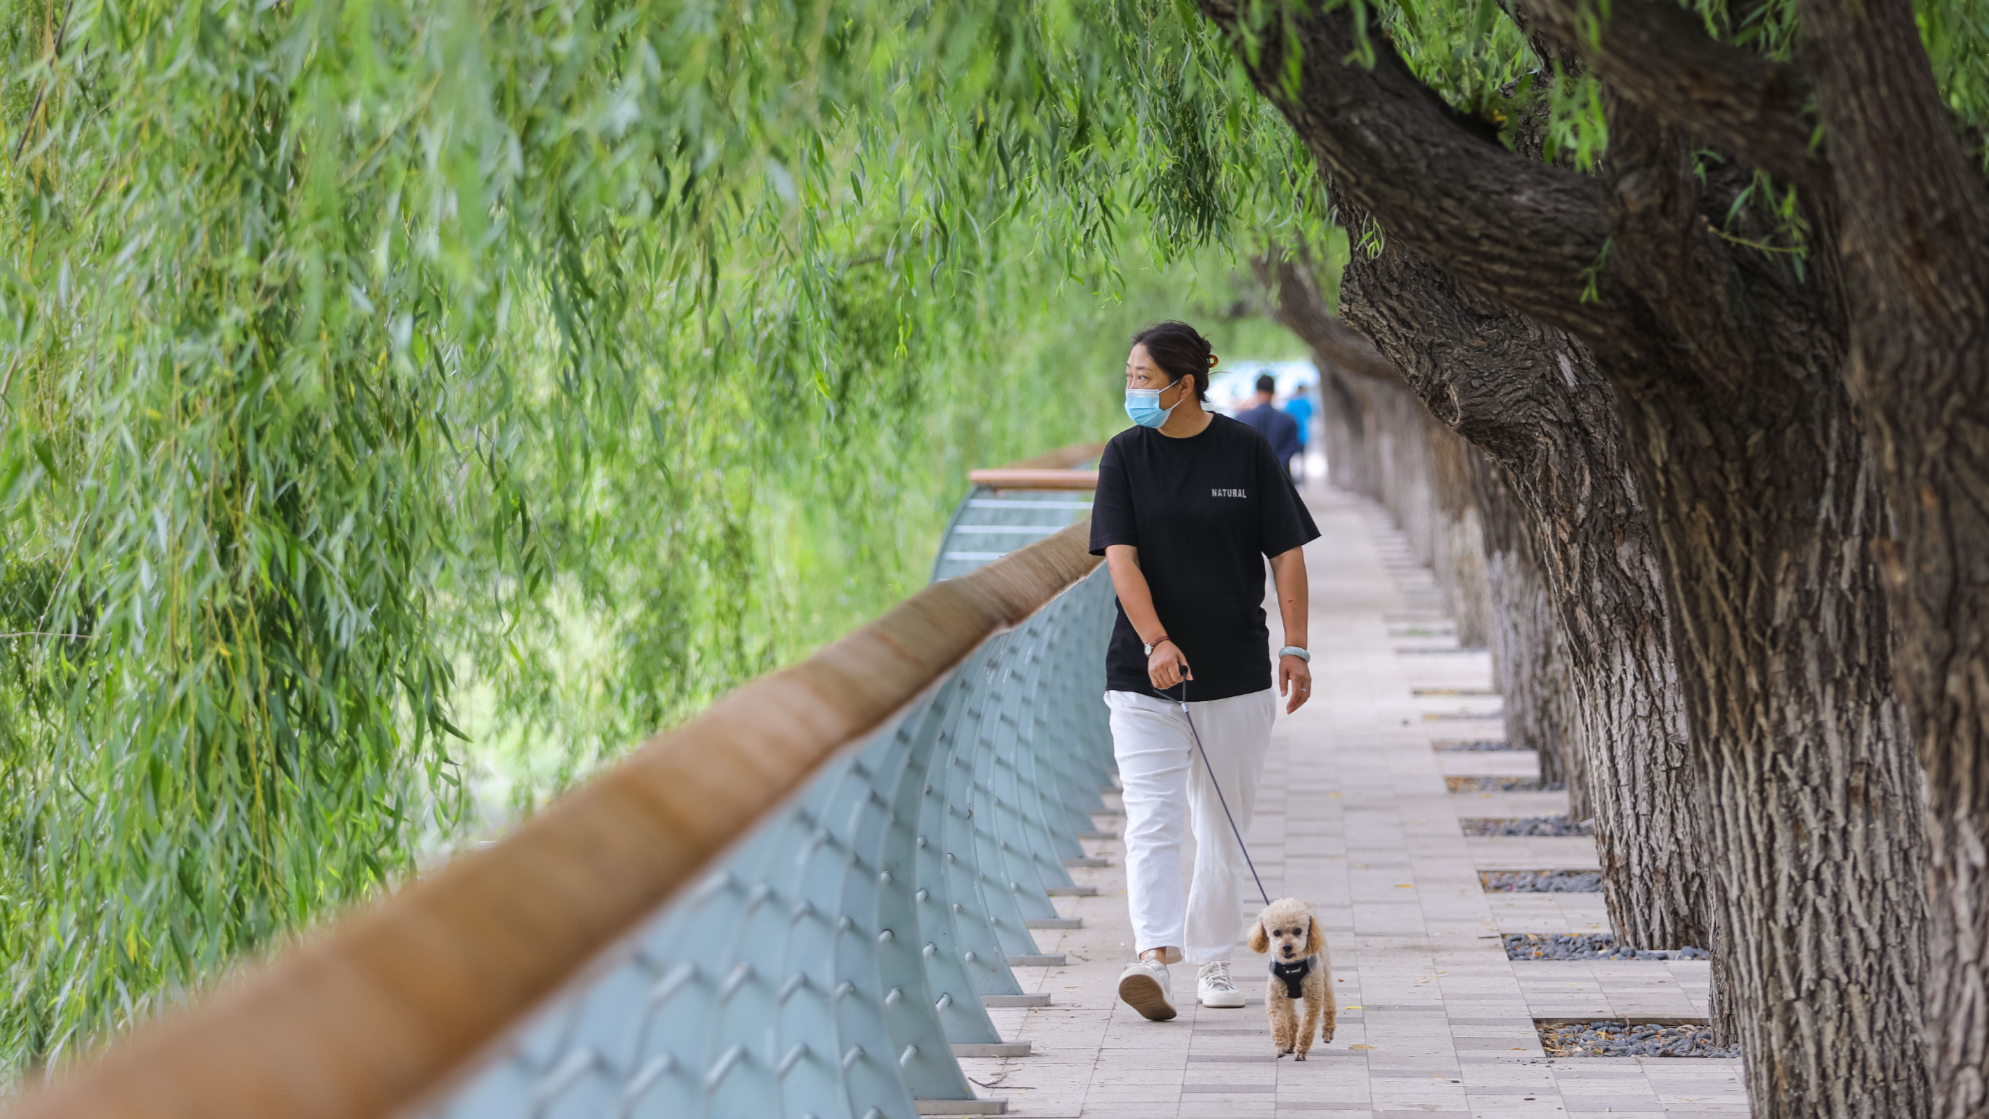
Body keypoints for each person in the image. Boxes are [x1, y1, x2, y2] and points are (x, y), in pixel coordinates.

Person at [1090, 321, 1321, 1021]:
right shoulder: (1124, 456)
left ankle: (1215, 958)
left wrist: (1297, 645)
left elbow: (1286, 553)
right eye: (1129, 376)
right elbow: (1119, 559)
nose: (1131, 388)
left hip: (1235, 672)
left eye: (1140, 377)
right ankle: (1154, 957)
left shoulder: (1245, 450)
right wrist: (1156, 640)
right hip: (1142, 672)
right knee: (1151, 819)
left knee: (1221, 825)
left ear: (1182, 384)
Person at [1236, 373, 1303, 481]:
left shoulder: (1241, 419)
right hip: (1281, 478)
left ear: (1256, 392)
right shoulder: (1288, 420)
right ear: (1273, 392)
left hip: (1251, 479)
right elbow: (1293, 447)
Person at [1282, 386, 1314, 481]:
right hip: (1304, 434)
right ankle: (1302, 479)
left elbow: (1285, 416)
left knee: (1292, 459)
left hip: (1293, 435)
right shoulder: (1306, 403)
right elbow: (1310, 414)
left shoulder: (1291, 403)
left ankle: (1294, 479)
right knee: (1302, 459)